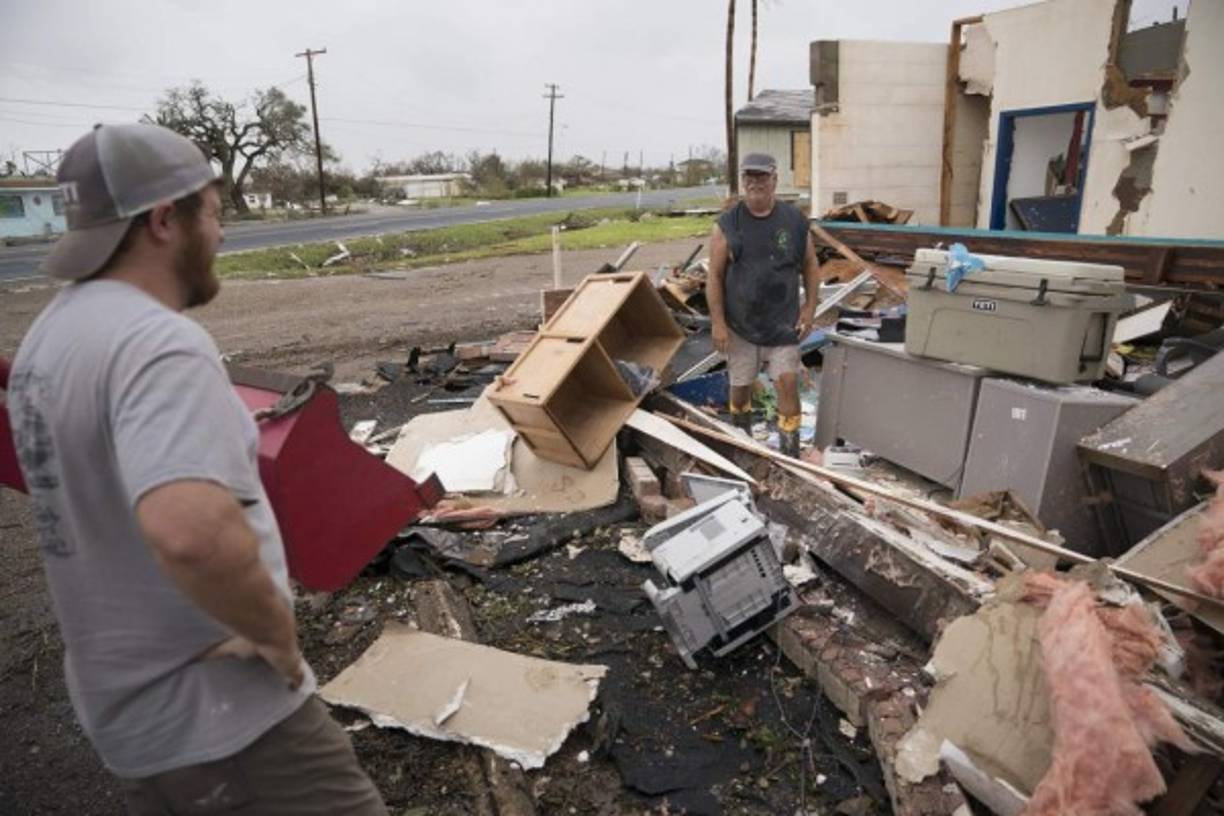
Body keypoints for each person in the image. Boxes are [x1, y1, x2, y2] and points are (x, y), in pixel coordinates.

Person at [8, 123, 388, 815]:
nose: (220, 233)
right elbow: (191, 533)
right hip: (225, 720)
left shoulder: (51, 336)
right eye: (211, 213)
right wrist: (276, 635)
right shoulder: (158, 345)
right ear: (164, 220)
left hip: (129, 714)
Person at [706, 152, 821, 457]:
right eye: (749, 176)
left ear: (775, 180)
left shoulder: (794, 221)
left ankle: (790, 454)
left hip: (783, 325)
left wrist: (809, 309)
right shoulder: (727, 225)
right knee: (740, 389)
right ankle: (743, 446)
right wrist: (718, 323)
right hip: (740, 326)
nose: (755, 182)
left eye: (762, 176)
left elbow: (810, 265)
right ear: (742, 181)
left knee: (787, 384)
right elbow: (714, 276)